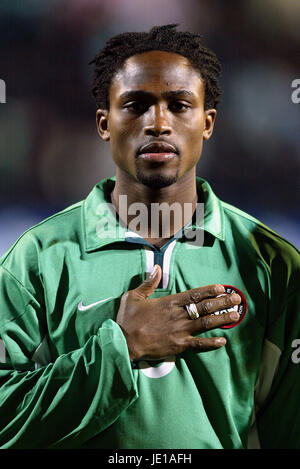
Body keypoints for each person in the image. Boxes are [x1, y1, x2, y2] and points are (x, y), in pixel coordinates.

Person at [0, 24, 299, 450]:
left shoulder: (271, 263)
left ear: (207, 123)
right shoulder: (37, 259)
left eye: (179, 105)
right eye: (136, 105)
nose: (158, 123)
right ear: (105, 123)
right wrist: (120, 350)